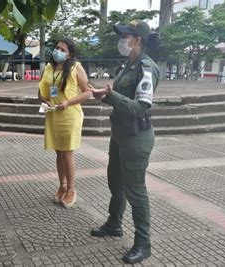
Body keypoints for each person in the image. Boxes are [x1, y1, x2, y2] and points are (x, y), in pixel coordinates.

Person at [89, 20, 160, 264]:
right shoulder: (127, 65)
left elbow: (139, 108)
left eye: (126, 36)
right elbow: (120, 99)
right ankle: (114, 224)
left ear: (137, 39)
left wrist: (112, 95)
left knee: (136, 192)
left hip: (136, 138)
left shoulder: (146, 68)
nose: (122, 40)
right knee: (116, 184)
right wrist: (105, 96)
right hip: (120, 134)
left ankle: (143, 243)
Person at [38, 38, 93, 208]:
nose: (58, 51)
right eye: (56, 47)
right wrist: (44, 100)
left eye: (62, 49)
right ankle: (61, 186)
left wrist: (68, 103)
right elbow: (42, 92)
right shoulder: (49, 68)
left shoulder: (76, 68)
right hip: (53, 115)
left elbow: (87, 93)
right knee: (59, 153)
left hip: (70, 115)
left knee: (67, 153)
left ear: (70, 54)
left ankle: (71, 189)